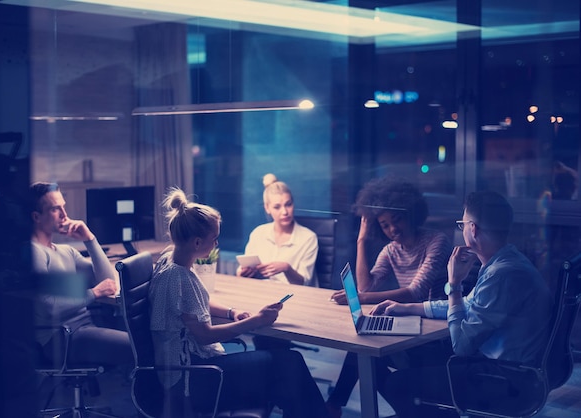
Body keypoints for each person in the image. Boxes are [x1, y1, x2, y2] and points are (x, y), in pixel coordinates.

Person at [148, 187, 330, 418]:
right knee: (290, 365)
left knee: (287, 374)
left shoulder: (170, 259)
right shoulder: (179, 276)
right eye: (214, 239)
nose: (216, 244)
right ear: (196, 243)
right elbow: (205, 335)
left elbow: (190, 303)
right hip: (192, 379)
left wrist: (232, 312)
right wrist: (255, 321)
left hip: (189, 369)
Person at [372, 190, 553, 418]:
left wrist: (455, 283)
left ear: (473, 229)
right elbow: (467, 305)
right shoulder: (506, 261)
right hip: (502, 367)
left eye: (462, 224)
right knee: (419, 359)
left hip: (506, 378)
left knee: (397, 384)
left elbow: (462, 345)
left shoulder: (502, 274)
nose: (462, 229)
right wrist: (406, 307)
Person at [326, 176, 453, 417]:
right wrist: (361, 240)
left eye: (397, 219)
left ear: (411, 213)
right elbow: (366, 286)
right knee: (363, 346)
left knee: (364, 350)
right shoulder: (391, 250)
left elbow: (414, 292)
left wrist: (362, 298)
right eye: (384, 225)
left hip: (436, 337)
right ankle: (338, 405)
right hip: (413, 327)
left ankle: (335, 405)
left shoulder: (436, 242)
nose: (393, 229)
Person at [30, 182, 132, 368]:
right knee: (138, 349)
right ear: (36, 217)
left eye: (63, 207)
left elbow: (107, 282)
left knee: (144, 342)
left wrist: (90, 239)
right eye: (55, 209)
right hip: (61, 337)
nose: (64, 214)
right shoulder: (33, 253)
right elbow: (50, 309)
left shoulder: (65, 251)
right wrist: (94, 293)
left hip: (83, 329)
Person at [237, 173, 319, 286]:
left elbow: (305, 283)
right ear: (267, 208)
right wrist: (243, 273)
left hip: (294, 295)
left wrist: (287, 268)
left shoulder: (308, 238)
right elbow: (243, 268)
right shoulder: (258, 233)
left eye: (288, 204)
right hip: (262, 291)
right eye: (277, 207)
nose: (284, 212)